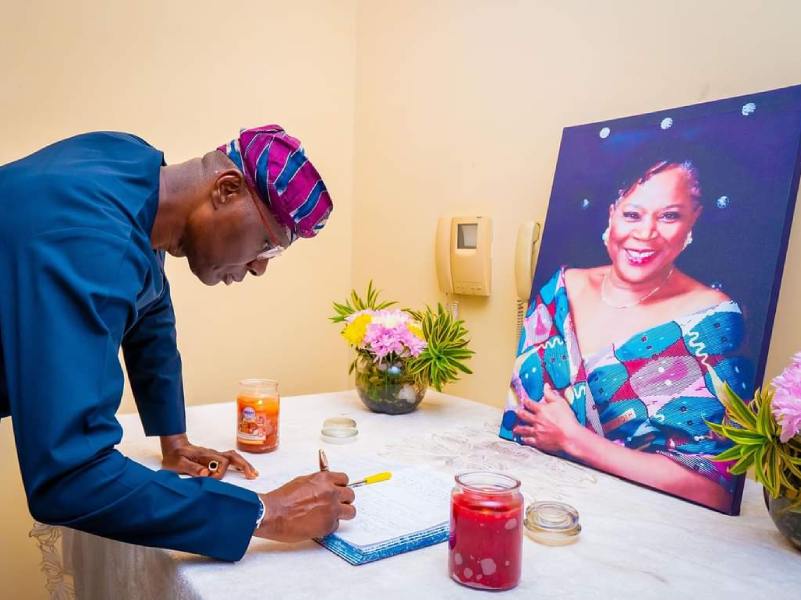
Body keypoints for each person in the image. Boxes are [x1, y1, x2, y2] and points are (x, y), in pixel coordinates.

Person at [0, 125, 355, 561]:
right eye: (267, 244)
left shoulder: (132, 164)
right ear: (226, 189)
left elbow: (149, 308)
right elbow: (69, 477)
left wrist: (175, 440)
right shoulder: (90, 244)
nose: (260, 268)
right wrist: (267, 512)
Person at [500, 160, 753, 512]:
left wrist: (575, 440)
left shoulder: (710, 320)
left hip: (643, 525)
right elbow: (516, 422)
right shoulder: (561, 288)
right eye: (633, 215)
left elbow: (713, 490)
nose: (646, 233)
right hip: (531, 498)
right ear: (612, 214)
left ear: (694, 219)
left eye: (669, 216)